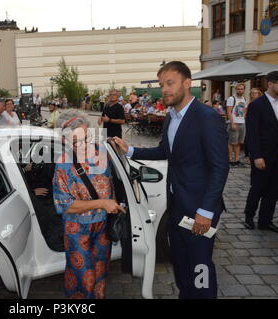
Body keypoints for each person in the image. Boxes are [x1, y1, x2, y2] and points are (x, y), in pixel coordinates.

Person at [114, 61, 229, 299]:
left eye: (170, 83)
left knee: (200, 267)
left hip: (199, 209)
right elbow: (165, 151)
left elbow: (220, 167)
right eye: (161, 84)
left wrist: (206, 211)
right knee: (181, 264)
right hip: (176, 206)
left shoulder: (206, 117)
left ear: (187, 83)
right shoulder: (171, 117)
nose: (164, 89)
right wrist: (130, 151)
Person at [53, 110, 124, 299]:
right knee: (85, 277)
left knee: (101, 274)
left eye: (86, 138)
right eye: (76, 142)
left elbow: (113, 182)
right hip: (77, 228)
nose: (84, 145)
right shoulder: (63, 165)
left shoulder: (102, 153)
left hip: (102, 226)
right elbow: (65, 206)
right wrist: (101, 202)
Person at [243, 71, 278, 233]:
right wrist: (256, 155)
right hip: (262, 156)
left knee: (273, 190)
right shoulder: (257, 105)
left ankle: (266, 220)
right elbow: (252, 133)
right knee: (257, 188)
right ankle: (249, 217)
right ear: (270, 83)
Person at [226, 83, 247, 167]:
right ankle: (230, 159)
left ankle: (237, 160)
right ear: (236, 89)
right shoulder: (231, 98)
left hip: (242, 123)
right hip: (234, 123)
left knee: (239, 142)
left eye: (242, 89)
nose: (240, 90)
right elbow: (228, 112)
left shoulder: (244, 99)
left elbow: (245, 110)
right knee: (231, 142)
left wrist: (244, 119)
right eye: (238, 89)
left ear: (244, 90)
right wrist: (232, 123)